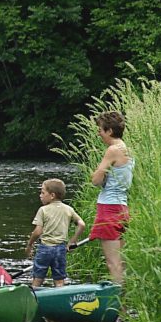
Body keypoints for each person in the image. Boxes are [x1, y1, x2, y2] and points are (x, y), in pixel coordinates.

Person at [90, 111, 134, 284]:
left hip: (108, 208)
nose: (98, 133)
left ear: (109, 131)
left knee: (113, 263)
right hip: (122, 208)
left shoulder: (113, 150)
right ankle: (124, 298)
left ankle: (118, 300)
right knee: (120, 262)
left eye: (100, 130)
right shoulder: (127, 148)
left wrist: (97, 173)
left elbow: (96, 180)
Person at [25, 179, 86, 288]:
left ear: (52, 195)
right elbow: (81, 224)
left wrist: (30, 244)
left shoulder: (43, 210)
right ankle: (60, 294)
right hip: (60, 249)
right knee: (59, 280)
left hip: (44, 249)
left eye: (43, 193)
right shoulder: (68, 209)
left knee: (38, 278)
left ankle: (33, 294)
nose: (40, 195)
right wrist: (72, 241)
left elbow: (38, 232)